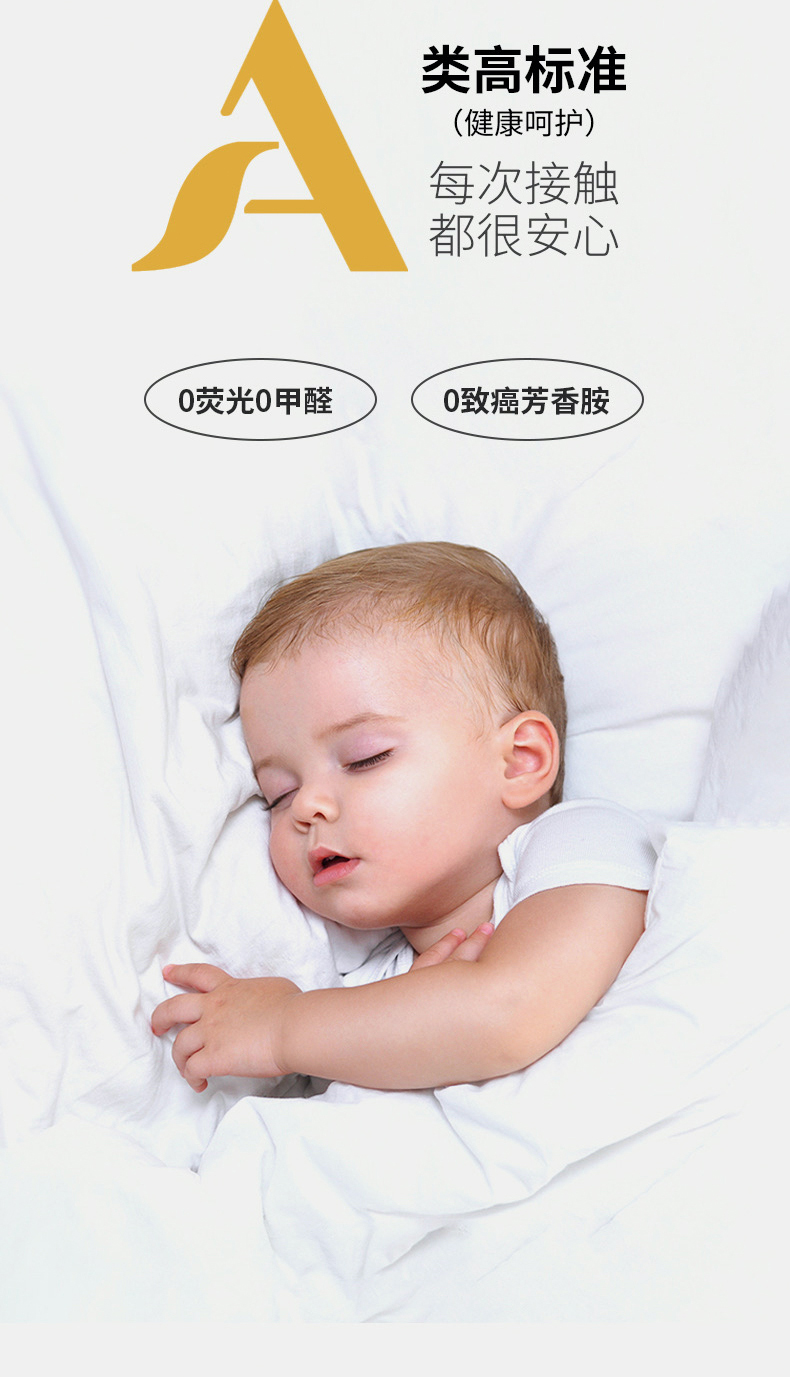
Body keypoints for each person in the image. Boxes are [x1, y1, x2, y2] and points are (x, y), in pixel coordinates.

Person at [152, 542, 655, 1092]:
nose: (307, 806)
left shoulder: (585, 845)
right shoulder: (361, 993)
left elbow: (507, 1014)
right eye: (279, 793)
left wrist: (279, 1028)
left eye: (364, 758)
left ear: (519, 761)